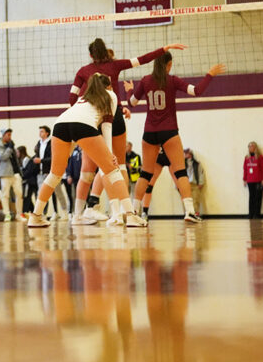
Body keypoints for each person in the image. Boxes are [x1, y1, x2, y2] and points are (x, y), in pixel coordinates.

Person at [69, 38, 185, 224]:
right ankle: (122, 212)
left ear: (90, 55)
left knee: (91, 170)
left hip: (93, 119)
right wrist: (164, 48)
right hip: (113, 117)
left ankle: (81, 214)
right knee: (116, 166)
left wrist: (81, 113)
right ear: (106, 51)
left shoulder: (83, 71)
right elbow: (142, 59)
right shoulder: (115, 66)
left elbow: (72, 96)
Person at [27, 73, 147, 228]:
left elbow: (76, 121)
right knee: (112, 170)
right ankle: (131, 216)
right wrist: (110, 154)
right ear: (109, 86)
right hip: (82, 126)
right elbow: (107, 126)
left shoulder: (83, 97)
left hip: (60, 124)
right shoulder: (110, 94)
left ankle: (36, 216)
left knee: (54, 174)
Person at [126, 52, 225, 223]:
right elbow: (197, 91)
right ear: (169, 64)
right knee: (180, 171)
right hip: (169, 131)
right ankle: (189, 212)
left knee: (145, 174)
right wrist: (210, 74)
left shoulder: (145, 80)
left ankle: (134, 213)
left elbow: (131, 103)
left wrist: (129, 90)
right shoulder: (172, 80)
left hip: (149, 132)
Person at [0, 128, 20, 221]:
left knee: (19, 194)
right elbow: (3, 157)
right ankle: (7, 214)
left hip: (14, 173)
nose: (10, 137)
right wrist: (9, 148)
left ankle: (19, 214)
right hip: (4, 173)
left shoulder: (11, 145)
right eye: (8, 135)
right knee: (5, 195)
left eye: (10, 135)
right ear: (3, 135)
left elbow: (15, 158)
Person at [243, 141, 263, 218]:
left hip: (258, 180)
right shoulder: (247, 158)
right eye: (249, 146)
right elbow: (245, 169)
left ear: (255, 147)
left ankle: (257, 214)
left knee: (258, 197)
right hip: (250, 180)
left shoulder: (260, 157)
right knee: (251, 197)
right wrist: (244, 179)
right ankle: (251, 214)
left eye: (252, 146)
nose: (250, 147)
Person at [183, 147, 205, 215]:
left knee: (196, 199)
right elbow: (179, 174)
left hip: (195, 183)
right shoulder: (182, 164)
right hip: (185, 184)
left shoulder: (197, 163)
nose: (186, 155)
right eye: (185, 153)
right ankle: (188, 214)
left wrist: (201, 183)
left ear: (191, 154)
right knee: (186, 200)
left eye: (187, 153)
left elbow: (201, 173)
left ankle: (196, 213)